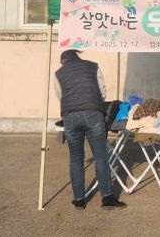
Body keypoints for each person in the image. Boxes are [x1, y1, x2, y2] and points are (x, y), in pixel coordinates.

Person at [53, 49, 126, 211]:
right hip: (93, 114)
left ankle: (79, 200)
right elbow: (102, 92)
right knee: (100, 156)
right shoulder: (93, 66)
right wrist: (93, 103)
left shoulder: (58, 73)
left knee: (76, 158)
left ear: (63, 60)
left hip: (70, 118)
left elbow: (61, 96)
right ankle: (107, 198)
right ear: (77, 55)